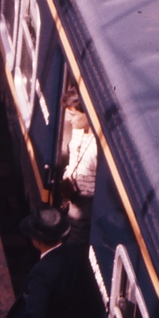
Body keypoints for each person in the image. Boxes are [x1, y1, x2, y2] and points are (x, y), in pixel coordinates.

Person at [58, 88, 97, 245]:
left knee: (74, 243)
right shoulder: (78, 130)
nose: (68, 119)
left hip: (84, 204)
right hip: (70, 194)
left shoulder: (97, 148)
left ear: (87, 113)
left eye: (73, 115)